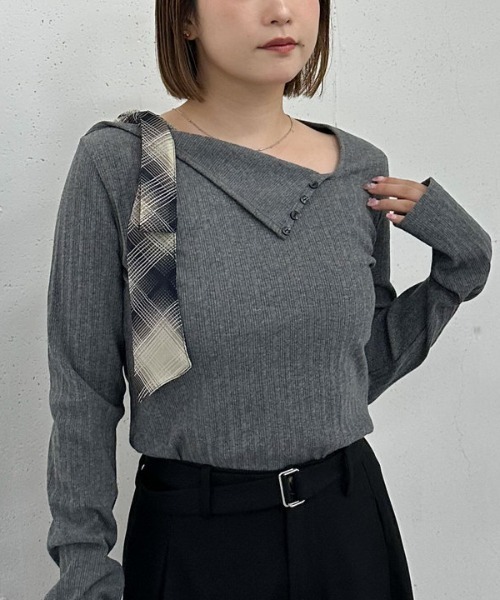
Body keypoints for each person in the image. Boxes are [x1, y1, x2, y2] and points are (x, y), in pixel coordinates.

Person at [43, 0, 492, 599]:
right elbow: (84, 388)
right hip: (194, 542)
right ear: (184, 18)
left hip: (347, 527)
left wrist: (462, 266)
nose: (282, 11)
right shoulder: (126, 163)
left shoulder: (359, 170)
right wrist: (83, 572)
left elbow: (351, 374)